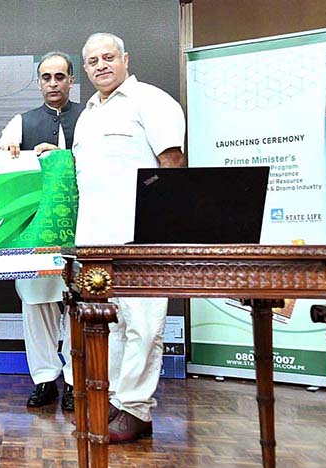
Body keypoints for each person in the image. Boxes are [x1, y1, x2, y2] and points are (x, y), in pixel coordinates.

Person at [72, 33, 186, 443]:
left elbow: (171, 166)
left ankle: (137, 409)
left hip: (141, 237)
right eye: (92, 61)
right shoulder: (86, 115)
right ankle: (116, 404)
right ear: (84, 70)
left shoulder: (152, 102)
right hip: (94, 242)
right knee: (111, 326)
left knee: (144, 325)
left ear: (125, 58)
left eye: (108, 57)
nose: (101, 65)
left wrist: (160, 233)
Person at [0, 51, 84, 411]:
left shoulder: (89, 117)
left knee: (78, 305)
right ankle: (45, 379)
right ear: (39, 81)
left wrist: (62, 154)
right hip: (35, 233)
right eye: (46, 77)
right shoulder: (23, 120)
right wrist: (8, 151)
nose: (53, 84)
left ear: (71, 80)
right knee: (36, 305)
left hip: (81, 230)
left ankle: (76, 381)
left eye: (60, 77)